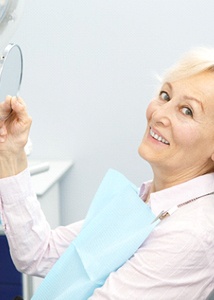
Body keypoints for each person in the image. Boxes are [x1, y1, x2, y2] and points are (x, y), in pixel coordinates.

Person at [0, 47, 214, 300]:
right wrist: (11, 152)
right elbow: (38, 253)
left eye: (187, 111)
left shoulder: (190, 235)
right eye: (165, 96)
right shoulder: (147, 200)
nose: (159, 114)